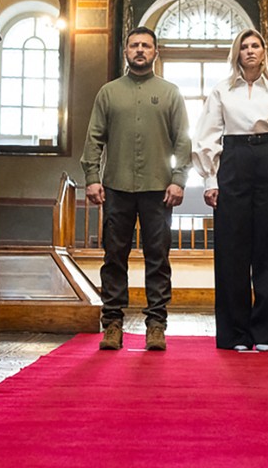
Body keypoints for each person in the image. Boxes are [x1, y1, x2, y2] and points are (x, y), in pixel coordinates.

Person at [193, 29, 268, 351]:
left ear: (263, 52)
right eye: (243, 46)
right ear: (236, 53)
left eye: (255, 46)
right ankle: (235, 334)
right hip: (233, 161)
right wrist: (210, 180)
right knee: (232, 250)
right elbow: (207, 136)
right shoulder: (221, 92)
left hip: (267, 160)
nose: (249, 51)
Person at [82, 27, 192, 352]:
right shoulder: (108, 93)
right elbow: (94, 137)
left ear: (155, 52)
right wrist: (91, 176)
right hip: (116, 187)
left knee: (157, 258)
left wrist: (178, 179)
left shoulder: (171, 93)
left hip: (159, 189)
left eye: (146, 45)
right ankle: (112, 324)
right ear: (125, 51)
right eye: (134, 45)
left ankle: (156, 325)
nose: (140, 50)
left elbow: (183, 140)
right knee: (114, 257)